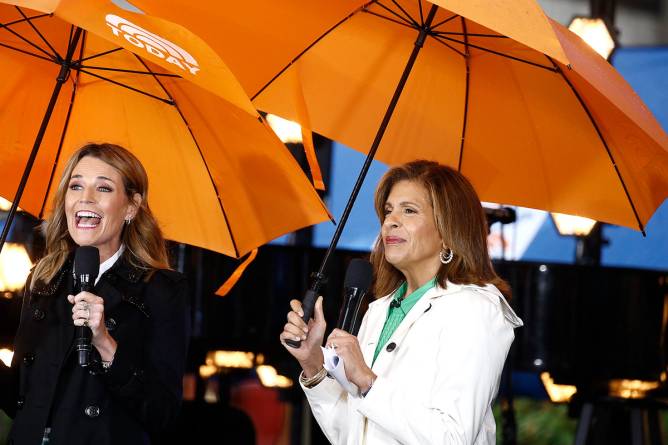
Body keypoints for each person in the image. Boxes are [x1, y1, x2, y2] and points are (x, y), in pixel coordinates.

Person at [280, 160, 523, 444]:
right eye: (388, 210)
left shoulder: (474, 309)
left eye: (409, 211)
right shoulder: (379, 310)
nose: (390, 221)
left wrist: (368, 382)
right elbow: (350, 433)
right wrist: (313, 364)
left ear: (448, 232)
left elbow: (453, 437)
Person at [0, 143, 190, 444]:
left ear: (131, 206)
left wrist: (104, 343)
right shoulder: (43, 279)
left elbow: (162, 414)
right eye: (76, 186)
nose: (85, 198)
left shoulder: (161, 289)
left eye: (103, 188)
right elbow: (18, 401)